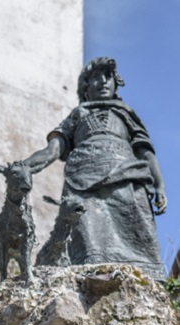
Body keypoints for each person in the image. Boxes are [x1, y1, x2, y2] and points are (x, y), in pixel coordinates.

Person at [21, 57, 167, 280]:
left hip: (127, 177)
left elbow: (145, 151)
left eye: (107, 77)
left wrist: (160, 185)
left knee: (136, 231)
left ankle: (144, 280)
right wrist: (25, 167)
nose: (102, 82)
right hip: (83, 179)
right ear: (85, 88)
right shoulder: (78, 115)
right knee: (88, 234)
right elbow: (52, 150)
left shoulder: (125, 113)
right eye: (95, 78)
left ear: (116, 84)